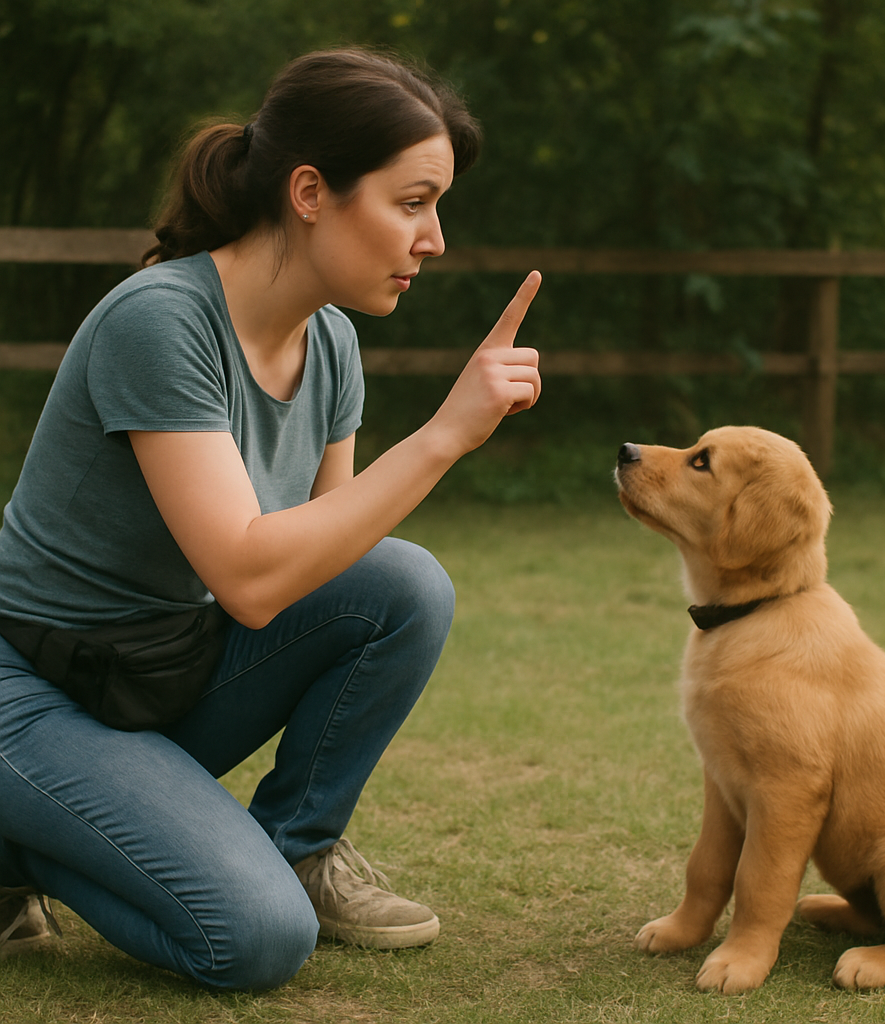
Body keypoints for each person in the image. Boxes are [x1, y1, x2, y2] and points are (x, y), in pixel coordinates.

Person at [0, 47, 541, 989]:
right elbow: (250, 579)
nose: (436, 238)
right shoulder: (160, 321)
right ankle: (19, 847)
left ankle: (297, 845)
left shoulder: (330, 339)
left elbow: (326, 565)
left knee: (404, 584)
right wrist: (445, 436)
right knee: (252, 939)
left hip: (161, 673)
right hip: (34, 690)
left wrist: (439, 441)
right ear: (309, 191)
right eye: (412, 202)